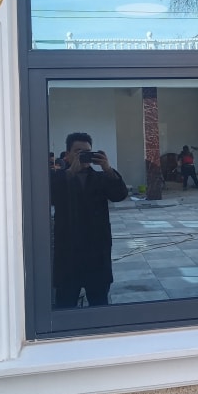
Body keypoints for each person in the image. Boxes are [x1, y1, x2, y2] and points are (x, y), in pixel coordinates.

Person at [49, 132, 128, 308]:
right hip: (68, 254)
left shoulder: (101, 178)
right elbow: (50, 196)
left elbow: (120, 195)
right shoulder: (59, 178)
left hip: (96, 253)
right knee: (65, 306)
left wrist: (108, 169)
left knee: (99, 305)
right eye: (78, 152)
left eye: (87, 152)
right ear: (67, 154)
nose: (83, 155)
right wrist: (70, 172)